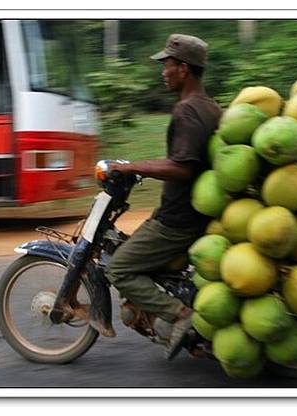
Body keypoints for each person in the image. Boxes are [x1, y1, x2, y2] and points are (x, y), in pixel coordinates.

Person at [105, 34, 222, 360]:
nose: (163, 71)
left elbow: (183, 167)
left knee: (119, 269)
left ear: (183, 69)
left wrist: (131, 167)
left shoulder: (186, 110)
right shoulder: (209, 106)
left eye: (167, 65)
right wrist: (140, 168)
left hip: (178, 219)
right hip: (192, 213)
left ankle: (180, 316)